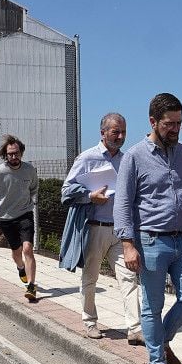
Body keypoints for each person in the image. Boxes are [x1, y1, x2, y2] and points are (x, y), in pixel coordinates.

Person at [115, 93, 182, 364]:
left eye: (180, 123)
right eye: (169, 124)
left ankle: (161, 340)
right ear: (153, 121)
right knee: (152, 305)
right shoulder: (134, 156)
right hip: (150, 241)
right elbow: (123, 203)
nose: (176, 129)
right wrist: (127, 243)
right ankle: (156, 361)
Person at [59, 113, 143, 344]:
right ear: (103, 132)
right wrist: (89, 196)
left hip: (120, 232)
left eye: (123, 131)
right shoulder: (87, 158)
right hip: (94, 228)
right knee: (90, 278)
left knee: (129, 278)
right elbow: (66, 191)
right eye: (116, 131)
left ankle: (134, 329)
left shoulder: (127, 160)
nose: (121, 136)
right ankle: (90, 322)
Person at [0, 135, 40, 301]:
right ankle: (20, 267)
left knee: (27, 249)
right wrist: (3, 206)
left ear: (21, 153)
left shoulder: (29, 170)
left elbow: (34, 188)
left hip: (25, 213)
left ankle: (31, 286)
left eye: (16, 153)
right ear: (5, 155)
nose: (13, 156)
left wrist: (26, 202)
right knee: (16, 252)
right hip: (5, 217)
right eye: (10, 154)